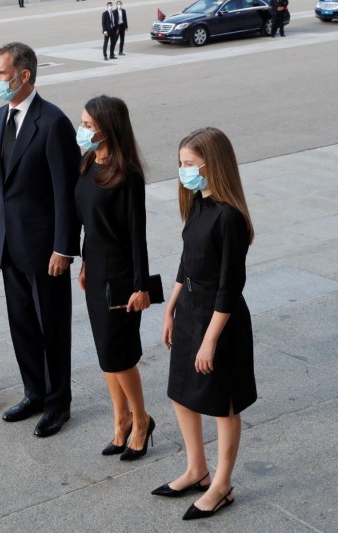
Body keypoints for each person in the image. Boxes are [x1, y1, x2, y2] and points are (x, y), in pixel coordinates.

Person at [154, 127, 255, 521]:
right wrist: (170, 308)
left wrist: (210, 340)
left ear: (214, 166)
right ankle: (197, 469)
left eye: (191, 165)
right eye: (181, 165)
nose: (184, 172)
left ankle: (222, 485)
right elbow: (186, 260)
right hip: (190, 310)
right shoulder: (198, 203)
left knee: (222, 404)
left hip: (219, 318)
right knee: (181, 392)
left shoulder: (229, 217)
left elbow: (231, 285)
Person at [0, 42, 81, 438]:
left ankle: (58, 403)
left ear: (24, 75)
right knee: (22, 324)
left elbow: (66, 191)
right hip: (10, 244)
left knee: (53, 327)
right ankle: (34, 393)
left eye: (0, 74)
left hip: (45, 250)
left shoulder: (53, 122)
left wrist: (64, 247)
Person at [74, 95, 154, 460]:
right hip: (96, 267)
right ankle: (120, 419)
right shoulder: (89, 162)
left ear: (107, 128)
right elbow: (90, 223)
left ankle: (141, 420)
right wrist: (86, 262)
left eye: (88, 124)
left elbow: (138, 235)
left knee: (118, 355)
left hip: (121, 274)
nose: (83, 129)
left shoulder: (128, 175)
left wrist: (140, 287)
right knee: (105, 353)